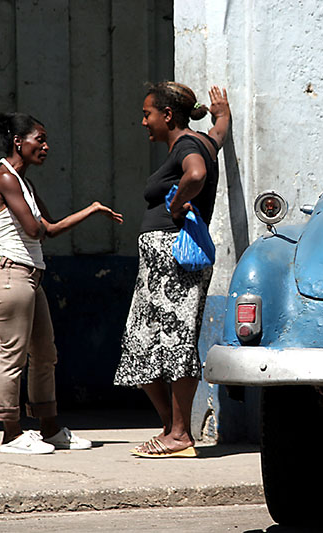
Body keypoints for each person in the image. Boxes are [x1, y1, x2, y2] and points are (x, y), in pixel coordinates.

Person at [0, 112, 123, 454]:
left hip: (31, 277)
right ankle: (11, 434)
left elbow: (51, 228)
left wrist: (91, 209)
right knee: (12, 355)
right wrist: (40, 224)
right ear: (19, 141)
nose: (45, 147)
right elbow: (34, 230)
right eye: (39, 139)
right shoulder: (3, 178)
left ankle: (49, 427)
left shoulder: (24, 183)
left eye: (46, 141)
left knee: (45, 354)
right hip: (10, 276)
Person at [114, 83, 231, 458]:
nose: (143, 121)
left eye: (147, 113)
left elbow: (195, 175)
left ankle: (180, 434)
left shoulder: (186, 147)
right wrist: (222, 113)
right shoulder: (202, 140)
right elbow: (218, 135)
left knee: (176, 341)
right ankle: (169, 427)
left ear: (167, 115)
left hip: (172, 259)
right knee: (140, 341)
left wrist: (178, 203)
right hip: (159, 263)